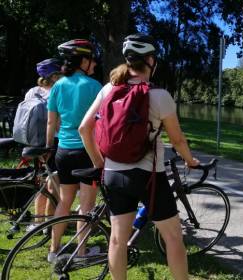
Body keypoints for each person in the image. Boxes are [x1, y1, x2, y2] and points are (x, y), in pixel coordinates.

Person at [79, 33, 199, 280]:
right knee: (173, 237)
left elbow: (84, 128)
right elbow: (177, 140)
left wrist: (100, 164)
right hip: (148, 177)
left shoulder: (108, 89)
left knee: (116, 240)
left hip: (112, 175)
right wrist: (189, 160)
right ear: (150, 60)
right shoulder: (160, 95)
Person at [46, 39, 102, 262]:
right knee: (86, 205)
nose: (95, 64)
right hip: (87, 152)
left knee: (64, 201)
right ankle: (81, 252)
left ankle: (53, 250)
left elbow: (51, 123)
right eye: (92, 59)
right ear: (83, 60)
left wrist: (49, 147)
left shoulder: (58, 85)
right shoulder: (94, 86)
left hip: (63, 151)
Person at [25, 58, 62, 232]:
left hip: (34, 142)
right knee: (54, 181)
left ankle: (37, 221)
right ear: (54, 75)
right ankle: (49, 223)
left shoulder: (32, 91)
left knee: (41, 182)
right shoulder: (57, 91)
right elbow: (58, 121)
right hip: (53, 141)